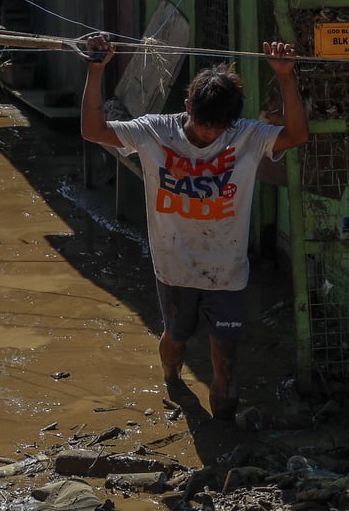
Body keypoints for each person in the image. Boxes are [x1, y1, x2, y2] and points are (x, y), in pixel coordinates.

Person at [80, 34, 309, 422]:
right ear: (187, 106)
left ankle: (223, 439)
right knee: (176, 341)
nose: (209, 135)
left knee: (227, 365)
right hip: (175, 267)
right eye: (204, 125)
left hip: (227, 271)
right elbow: (93, 131)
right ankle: (171, 376)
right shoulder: (154, 131)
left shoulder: (246, 136)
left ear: (232, 122)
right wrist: (96, 69)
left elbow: (297, 136)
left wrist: (286, 77)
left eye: (218, 129)